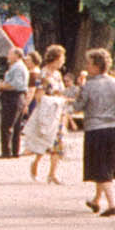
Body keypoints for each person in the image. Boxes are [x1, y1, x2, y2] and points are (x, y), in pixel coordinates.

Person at [72, 48, 115, 216]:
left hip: (95, 128)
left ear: (96, 66)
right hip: (114, 128)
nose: (87, 66)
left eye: (89, 63)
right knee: (106, 165)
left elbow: (78, 106)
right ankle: (96, 200)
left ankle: (112, 204)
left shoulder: (88, 86)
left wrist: (78, 89)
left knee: (100, 167)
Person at [21, 44, 68, 182]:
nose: (63, 61)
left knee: (58, 143)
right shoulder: (43, 73)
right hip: (48, 112)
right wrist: (54, 99)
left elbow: (61, 91)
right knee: (44, 141)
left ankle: (52, 174)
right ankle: (35, 163)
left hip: (58, 112)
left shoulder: (58, 74)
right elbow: (39, 96)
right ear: (54, 58)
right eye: (61, 58)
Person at [0, 48, 30, 158]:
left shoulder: (18, 67)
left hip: (13, 97)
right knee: (15, 126)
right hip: (18, 97)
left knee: (7, 125)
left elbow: (16, 84)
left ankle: (6, 151)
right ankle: (14, 150)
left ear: (16, 55)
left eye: (10, 54)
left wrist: (2, 86)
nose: (8, 56)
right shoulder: (18, 67)